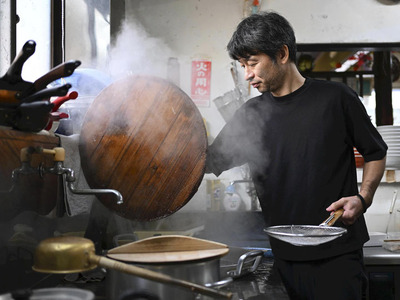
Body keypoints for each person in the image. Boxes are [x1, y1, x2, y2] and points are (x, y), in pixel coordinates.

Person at [206, 11, 387, 300]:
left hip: (337, 257)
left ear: (281, 53)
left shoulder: (336, 99)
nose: (247, 74)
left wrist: (363, 198)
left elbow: (376, 152)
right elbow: (208, 161)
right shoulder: (251, 115)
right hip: (283, 258)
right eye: (242, 65)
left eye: (252, 63)